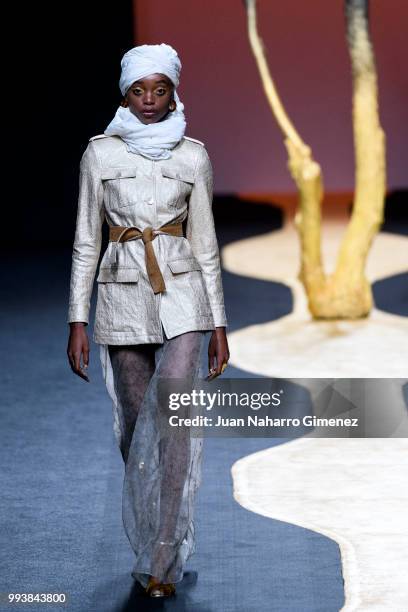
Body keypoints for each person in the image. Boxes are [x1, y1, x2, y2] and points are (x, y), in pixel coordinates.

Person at [66, 43, 229, 598]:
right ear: (124, 93)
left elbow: (205, 241)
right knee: (137, 431)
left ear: (174, 91)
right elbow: (87, 240)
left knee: (174, 422)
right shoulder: (101, 155)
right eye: (140, 90)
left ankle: (163, 556)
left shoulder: (193, 157)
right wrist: (76, 320)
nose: (151, 101)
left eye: (160, 90)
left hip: (183, 294)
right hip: (121, 294)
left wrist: (220, 325)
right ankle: (152, 542)